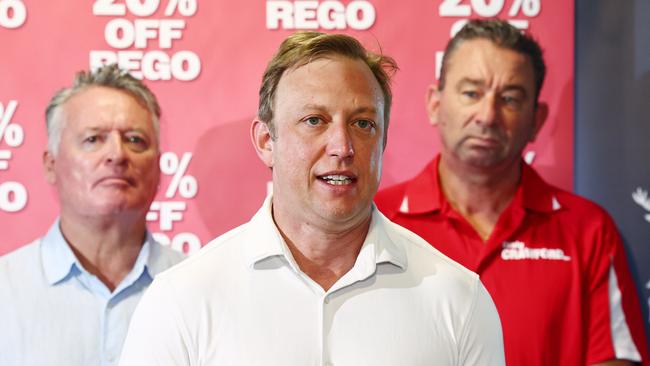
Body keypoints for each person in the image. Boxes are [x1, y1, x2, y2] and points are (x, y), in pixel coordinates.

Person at [119, 31, 505, 365]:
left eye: (363, 124)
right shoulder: (181, 299)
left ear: (383, 141)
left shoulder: (458, 298)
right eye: (314, 120)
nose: (341, 146)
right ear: (266, 141)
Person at [375, 19, 649, 366]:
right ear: (434, 103)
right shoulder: (377, 220)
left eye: (509, 98)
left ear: (537, 120)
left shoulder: (588, 230)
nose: (487, 116)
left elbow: (616, 359)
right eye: (472, 93)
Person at [0, 64, 185, 366]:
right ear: (51, 164)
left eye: (135, 139)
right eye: (93, 139)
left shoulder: (198, 285)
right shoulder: (5, 290)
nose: (117, 155)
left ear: (159, 166)